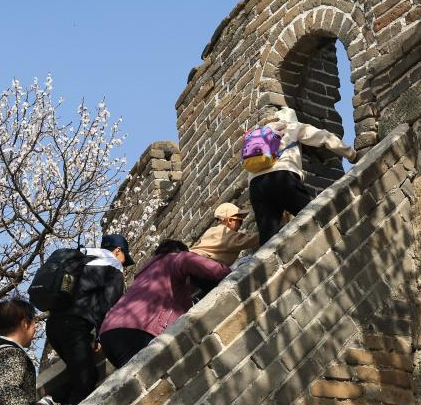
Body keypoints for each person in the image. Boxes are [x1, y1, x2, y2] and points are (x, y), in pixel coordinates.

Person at [98, 240, 230, 369]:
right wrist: (229, 271)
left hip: (108, 334)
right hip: (139, 330)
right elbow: (212, 270)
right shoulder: (176, 258)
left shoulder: (145, 274)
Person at [44, 233, 133, 405]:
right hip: (74, 327)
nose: (124, 265)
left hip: (53, 326)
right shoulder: (113, 264)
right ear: (117, 251)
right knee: (86, 379)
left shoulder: (81, 259)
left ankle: (49, 401)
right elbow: (109, 304)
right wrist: (100, 335)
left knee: (77, 373)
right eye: (124, 258)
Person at [247, 106, 357, 245]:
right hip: (282, 177)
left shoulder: (257, 135)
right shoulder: (292, 126)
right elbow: (325, 137)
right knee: (311, 216)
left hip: (255, 185)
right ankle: (339, 243)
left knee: (267, 237)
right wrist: (351, 155)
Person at [0, 297, 70, 405]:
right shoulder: (11, 354)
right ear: (24, 324)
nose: (35, 329)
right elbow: (7, 392)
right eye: (34, 323)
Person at [190, 203, 260, 266]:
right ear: (230, 220)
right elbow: (248, 240)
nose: (240, 225)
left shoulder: (211, 231)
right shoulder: (226, 233)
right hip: (198, 263)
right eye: (239, 221)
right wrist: (266, 232)